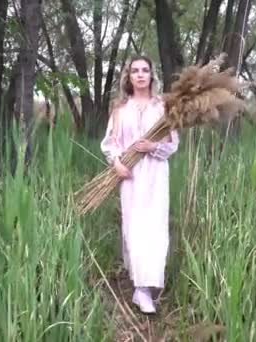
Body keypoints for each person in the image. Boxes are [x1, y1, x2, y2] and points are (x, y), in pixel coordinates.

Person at [100, 55, 179, 314]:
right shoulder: (120, 109)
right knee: (134, 227)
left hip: (156, 173)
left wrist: (152, 146)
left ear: (152, 75)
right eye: (135, 71)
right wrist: (116, 163)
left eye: (145, 70)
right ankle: (140, 287)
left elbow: (173, 144)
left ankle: (148, 283)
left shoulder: (163, 107)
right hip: (130, 176)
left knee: (155, 227)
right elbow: (110, 142)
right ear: (129, 76)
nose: (141, 74)